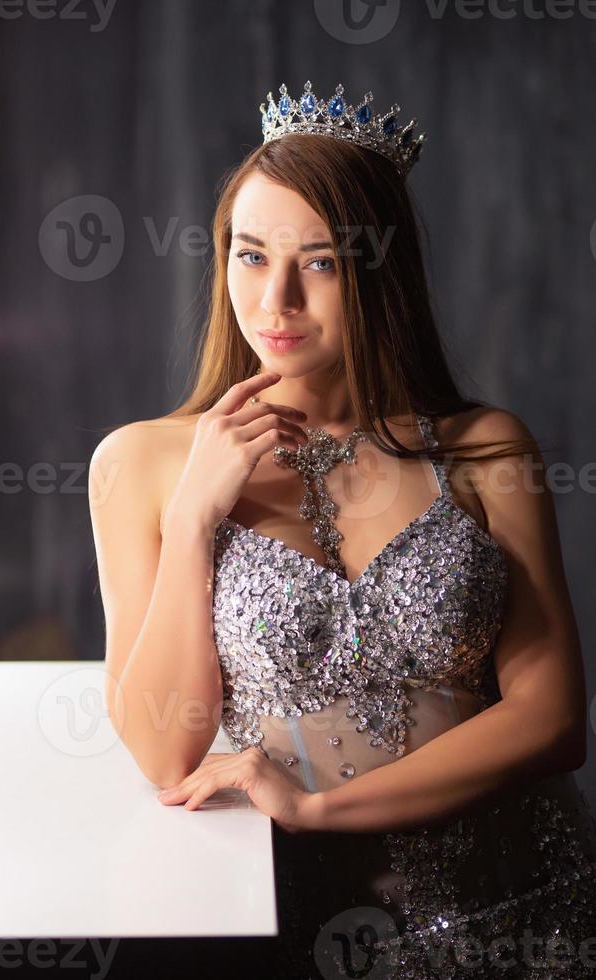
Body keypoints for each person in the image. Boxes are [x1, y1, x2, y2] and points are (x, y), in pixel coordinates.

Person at [89, 80, 596, 978]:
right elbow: (163, 748)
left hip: (516, 899)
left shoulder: (484, 450)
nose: (275, 299)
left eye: (318, 262)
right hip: (275, 913)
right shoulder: (143, 463)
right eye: (250, 256)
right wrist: (197, 514)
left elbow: (553, 719)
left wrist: (317, 807)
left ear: (376, 270)